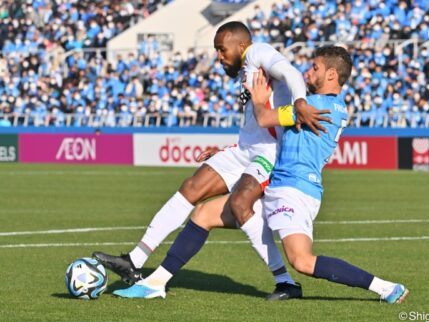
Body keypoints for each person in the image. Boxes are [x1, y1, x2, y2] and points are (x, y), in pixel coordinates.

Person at [113, 46, 409, 304]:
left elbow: (266, 117)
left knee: (303, 261)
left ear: (332, 75)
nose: (309, 70)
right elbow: (270, 134)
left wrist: (258, 97)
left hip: (294, 191)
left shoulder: (315, 106)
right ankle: (155, 283)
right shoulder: (319, 106)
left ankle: (385, 287)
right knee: (204, 214)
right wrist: (229, 151)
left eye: (315, 67)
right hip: (281, 186)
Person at [93, 21, 330, 300]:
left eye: (222, 49)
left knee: (240, 205)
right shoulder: (245, 69)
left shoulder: (258, 53)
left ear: (241, 45)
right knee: (192, 187)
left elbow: (290, 72)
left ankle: (285, 281)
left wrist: (300, 101)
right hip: (245, 150)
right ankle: (134, 260)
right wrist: (227, 149)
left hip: (269, 153)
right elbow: (253, 127)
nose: (219, 56)